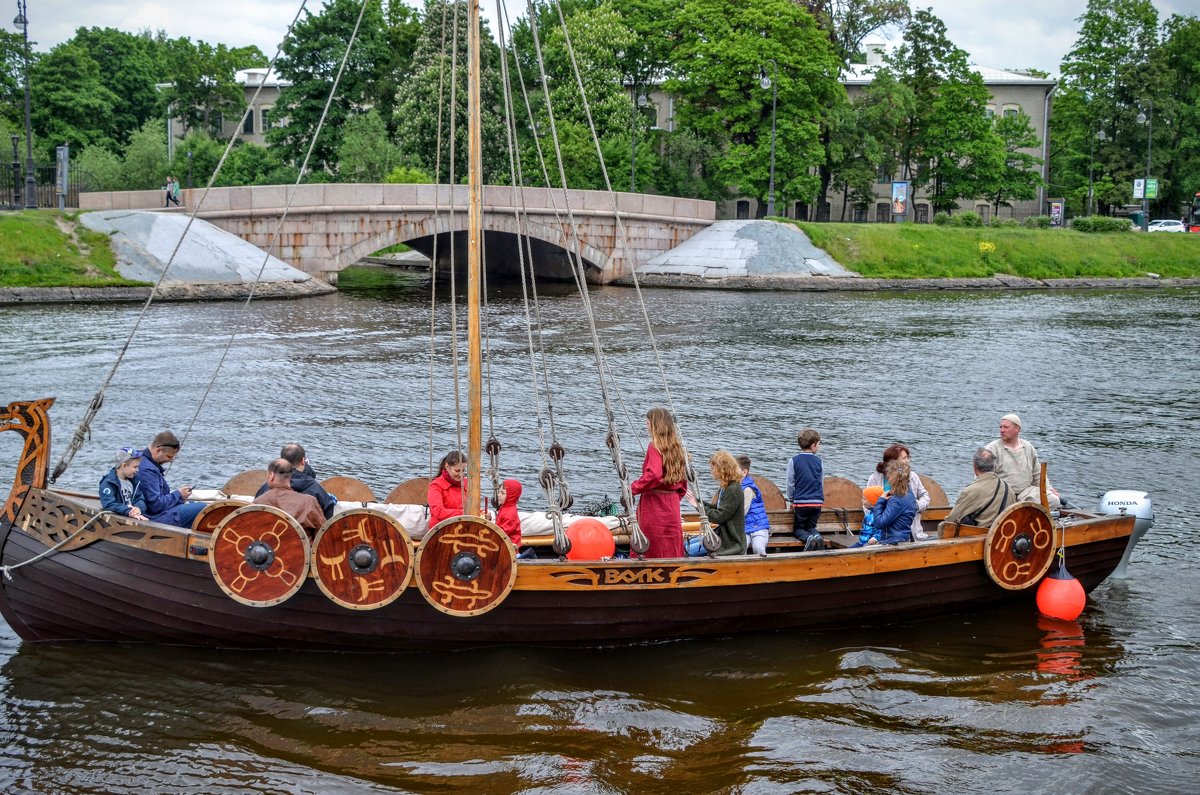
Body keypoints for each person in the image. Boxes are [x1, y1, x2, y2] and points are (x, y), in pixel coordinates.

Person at [630, 407, 688, 559]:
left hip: (654, 506)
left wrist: (633, 488)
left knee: (651, 544)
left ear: (655, 425)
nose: (646, 426)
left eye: (648, 423)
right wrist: (674, 497)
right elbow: (683, 481)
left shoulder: (654, 447)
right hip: (672, 505)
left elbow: (654, 475)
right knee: (671, 543)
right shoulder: (678, 448)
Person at [984, 413, 1061, 508]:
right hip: (1002, 495)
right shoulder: (991, 449)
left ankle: (1032, 521)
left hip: (1026, 492)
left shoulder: (1028, 447)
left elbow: (1037, 474)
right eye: (1000, 427)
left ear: (1017, 429)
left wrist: (1048, 489)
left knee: (1054, 500)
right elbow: (983, 477)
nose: (1002, 430)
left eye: (1006, 427)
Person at [133, 431, 205, 528]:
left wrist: (180, 498)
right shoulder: (147, 470)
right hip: (152, 517)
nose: (171, 460)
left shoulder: (142, 458)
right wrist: (178, 494)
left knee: (195, 506)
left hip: (154, 512)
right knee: (203, 508)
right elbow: (155, 506)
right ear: (158, 450)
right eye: (169, 456)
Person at [685, 450, 748, 557]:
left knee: (687, 550)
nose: (711, 472)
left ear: (721, 469)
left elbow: (719, 516)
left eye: (712, 468)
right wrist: (699, 502)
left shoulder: (733, 490)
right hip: (721, 536)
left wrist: (697, 506)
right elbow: (717, 508)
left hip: (731, 543)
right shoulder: (727, 487)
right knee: (685, 545)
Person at [938, 448, 1015, 533]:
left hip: (978, 540)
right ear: (994, 466)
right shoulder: (1009, 488)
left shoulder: (970, 491)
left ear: (974, 466)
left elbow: (950, 521)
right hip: (1003, 538)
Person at [865, 444, 931, 540]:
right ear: (893, 462)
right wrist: (883, 511)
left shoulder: (912, 477)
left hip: (908, 530)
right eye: (904, 458)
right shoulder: (875, 478)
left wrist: (914, 506)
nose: (908, 460)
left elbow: (925, 497)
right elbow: (866, 503)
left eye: (908, 457)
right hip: (879, 530)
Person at [255, 443, 336, 519]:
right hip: (303, 534)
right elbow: (326, 523)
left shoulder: (266, 488)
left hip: (269, 532)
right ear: (303, 461)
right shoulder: (316, 490)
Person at [253, 458, 325, 533]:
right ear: (289, 476)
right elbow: (323, 533)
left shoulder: (258, 502)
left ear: (271, 475)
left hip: (267, 543)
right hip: (301, 544)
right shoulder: (310, 502)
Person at [786, 428, 825, 551]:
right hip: (817, 502)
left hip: (801, 502)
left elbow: (790, 483)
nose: (819, 447)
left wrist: (791, 499)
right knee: (811, 526)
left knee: (798, 528)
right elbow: (821, 482)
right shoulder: (819, 461)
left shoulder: (793, 461)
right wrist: (820, 498)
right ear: (813, 445)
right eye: (819, 444)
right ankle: (817, 537)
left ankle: (808, 539)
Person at [870, 460, 917, 545]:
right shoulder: (910, 494)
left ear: (890, 477)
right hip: (904, 538)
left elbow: (879, 523)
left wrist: (880, 501)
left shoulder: (897, 500)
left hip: (893, 542)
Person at [99, 446, 147, 520]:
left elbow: (140, 499)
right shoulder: (108, 483)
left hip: (133, 517)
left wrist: (138, 508)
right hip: (117, 520)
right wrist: (128, 511)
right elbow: (109, 504)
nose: (137, 470)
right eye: (135, 467)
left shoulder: (135, 481)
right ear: (124, 465)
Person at [736, 455, 770, 556]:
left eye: (734, 470)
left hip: (758, 526)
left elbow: (742, 512)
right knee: (740, 549)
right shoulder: (736, 486)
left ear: (744, 472)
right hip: (744, 527)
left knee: (758, 548)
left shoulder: (748, 489)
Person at [427, 450, 467, 526]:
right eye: (457, 471)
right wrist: (465, 513)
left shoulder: (467, 483)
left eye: (463, 470)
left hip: (465, 528)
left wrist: (483, 514)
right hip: (441, 530)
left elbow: (474, 507)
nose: (461, 474)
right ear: (447, 467)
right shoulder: (436, 486)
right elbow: (438, 512)